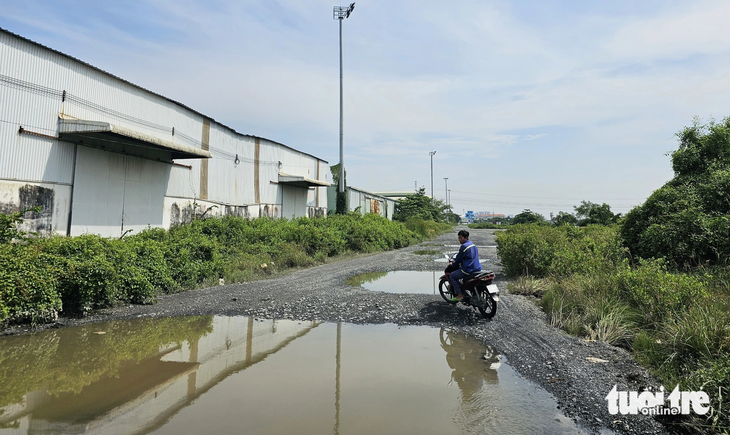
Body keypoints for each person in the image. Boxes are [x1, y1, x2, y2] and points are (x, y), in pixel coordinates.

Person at [448, 230, 481, 302]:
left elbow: (458, 259)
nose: (459, 240)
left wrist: (453, 264)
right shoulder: (472, 245)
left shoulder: (464, 246)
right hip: (477, 268)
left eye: (461, 238)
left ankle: (459, 295)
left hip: (468, 269)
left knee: (453, 276)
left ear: (466, 237)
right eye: (459, 238)